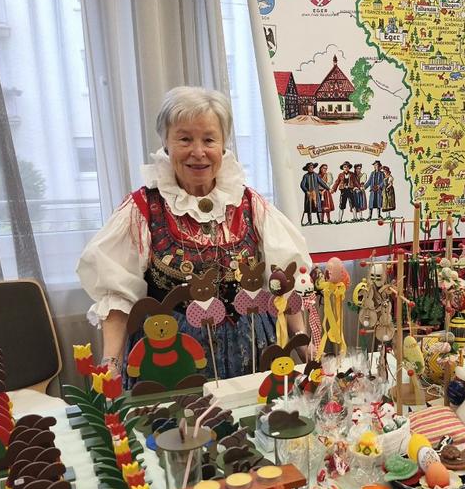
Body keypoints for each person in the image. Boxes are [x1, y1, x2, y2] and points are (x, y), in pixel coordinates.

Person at [77, 86, 311, 382]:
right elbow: (117, 295)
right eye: (185, 139)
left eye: (209, 139)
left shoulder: (251, 204)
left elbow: (284, 284)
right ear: (165, 142)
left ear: (223, 145)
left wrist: (306, 346)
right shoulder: (141, 209)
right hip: (171, 356)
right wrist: (111, 361)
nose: (198, 152)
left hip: (253, 352)